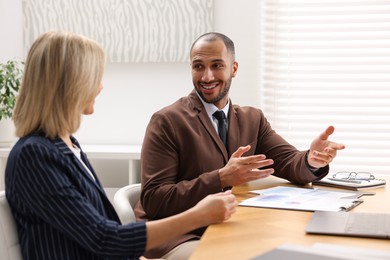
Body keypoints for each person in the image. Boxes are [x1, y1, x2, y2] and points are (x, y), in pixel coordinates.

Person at [5, 31, 237, 260]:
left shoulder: (67, 146)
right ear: (68, 84)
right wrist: (197, 215)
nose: (100, 87)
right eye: (95, 76)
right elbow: (104, 239)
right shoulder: (34, 155)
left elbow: (99, 232)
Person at [136, 32, 346, 258]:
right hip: (180, 234)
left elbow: (289, 162)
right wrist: (221, 178)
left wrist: (310, 159)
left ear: (233, 68)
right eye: (198, 67)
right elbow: (154, 200)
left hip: (229, 225)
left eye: (217, 65)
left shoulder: (252, 120)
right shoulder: (167, 121)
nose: (207, 77)